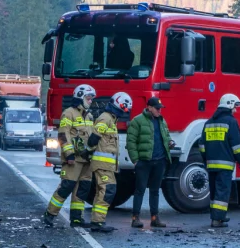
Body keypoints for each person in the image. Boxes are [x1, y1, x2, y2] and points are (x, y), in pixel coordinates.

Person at [43, 84, 95, 228]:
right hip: (74, 159)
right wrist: (69, 154)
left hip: (87, 159)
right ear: (80, 97)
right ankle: (50, 214)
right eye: (89, 98)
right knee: (66, 186)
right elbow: (63, 134)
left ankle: (76, 218)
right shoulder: (69, 113)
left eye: (91, 98)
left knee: (82, 188)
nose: (91, 101)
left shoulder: (89, 116)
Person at [198, 94, 240, 228]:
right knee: (222, 191)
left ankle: (215, 217)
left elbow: (201, 144)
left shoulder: (209, 122)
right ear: (230, 105)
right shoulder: (231, 122)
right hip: (225, 165)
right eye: (235, 107)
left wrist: (205, 159)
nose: (236, 110)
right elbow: (236, 144)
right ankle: (218, 219)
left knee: (214, 192)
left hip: (211, 164)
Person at [126, 96, 173, 228]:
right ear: (149, 108)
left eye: (160, 108)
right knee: (140, 190)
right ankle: (135, 218)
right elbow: (131, 142)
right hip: (144, 162)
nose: (160, 111)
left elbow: (166, 136)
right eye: (157, 108)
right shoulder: (137, 121)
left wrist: (170, 142)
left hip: (159, 161)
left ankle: (155, 218)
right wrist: (136, 160)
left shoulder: (161, 121)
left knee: (155, 190)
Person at [88, 92, 131, 233]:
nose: (125, 112)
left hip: (107, 166)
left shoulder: (111, 119)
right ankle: (97, 222)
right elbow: (93, 139)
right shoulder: (105, 119)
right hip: (102, 165)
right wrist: (87, 153)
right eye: (124, 109)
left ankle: (97, 221)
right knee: (107, 191)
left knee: (103, 191)